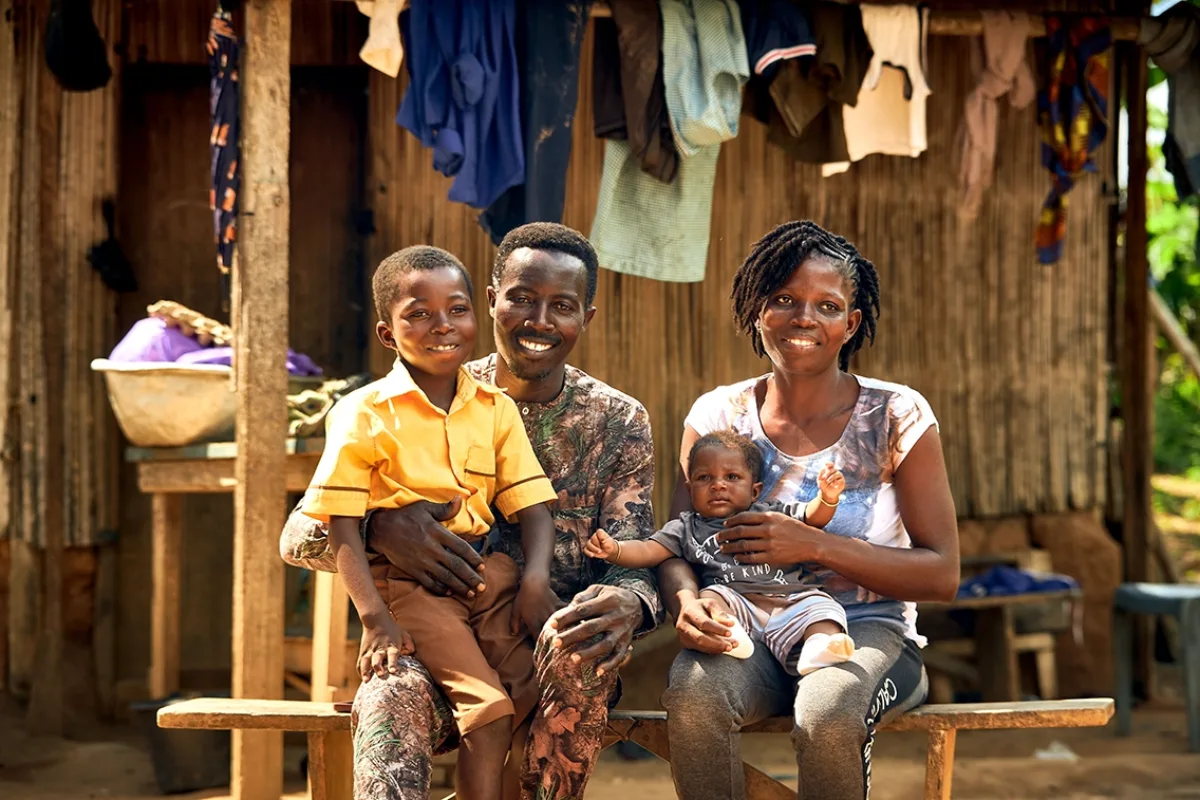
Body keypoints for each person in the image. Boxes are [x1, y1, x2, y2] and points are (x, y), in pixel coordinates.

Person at [279, 223, 661, 800]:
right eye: (522, 299)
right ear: (491, 301)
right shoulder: (424, 388)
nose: (539, 321)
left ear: (587, 316)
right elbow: (298, 537)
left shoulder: (617, 421)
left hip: (536, 636)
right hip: (428, 634)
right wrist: (383, 527)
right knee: (388, 696)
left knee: (574, 657)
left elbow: (633, 552)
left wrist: (630, 601)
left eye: (562, 306)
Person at [657, 220, 960, 800]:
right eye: (784, 300)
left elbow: (942, 574)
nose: (804, 318)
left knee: (827, 710)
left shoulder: (896, 414)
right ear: (755, 311)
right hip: (748, 623)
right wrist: (687, 601)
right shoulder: (718, 416)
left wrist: (814, 545)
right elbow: (678, 542)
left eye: (827, 306)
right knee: (693, 695)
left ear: (851, 323)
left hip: (869, 631)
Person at [299, 245, 560, 800]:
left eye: (457, 309)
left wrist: (535, 581)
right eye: (418, 313)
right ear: (387, 334)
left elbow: (532, 505)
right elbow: (342, 525)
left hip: (487, 577)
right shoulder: (363, 413)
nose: (443, 326)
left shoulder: (494, 408)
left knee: (531, 688)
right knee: (487, 711)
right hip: (414, 590)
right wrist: (374, 619)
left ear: (477, 314)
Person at [585, 429, 854, 675]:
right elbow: (648, 550)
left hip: (792, 599)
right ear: (690, 490)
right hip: (738, 605)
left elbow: (811, 518)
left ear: (755, 491)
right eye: (705, 478)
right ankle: (729, 637)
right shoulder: (685, 528)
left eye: (732, 477)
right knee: (711, 596)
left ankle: (818, 647)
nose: (718, 485)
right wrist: (615, 549)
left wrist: (827, 498)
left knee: (822, 607)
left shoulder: (769, 514)